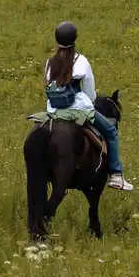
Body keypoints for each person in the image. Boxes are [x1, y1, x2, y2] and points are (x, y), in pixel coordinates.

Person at [46, 22, 132, 191]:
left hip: (53, 110)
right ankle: (116, 175)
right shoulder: (81, 61)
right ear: (75, 39)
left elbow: (48, 87)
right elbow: (90, 93)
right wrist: (89, 103)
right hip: (79, 110)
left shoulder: (50, 62)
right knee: (111, 132)